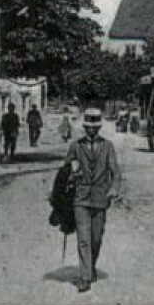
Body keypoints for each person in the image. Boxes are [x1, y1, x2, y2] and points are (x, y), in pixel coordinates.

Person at [63, 106, 122, 293]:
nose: (92, 130)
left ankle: (91, 267)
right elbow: (66, 171)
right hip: (80, 199)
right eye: (89, 127)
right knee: (83, 238)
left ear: (99, 128)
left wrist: (113, 189)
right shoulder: (75, 146)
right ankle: (85, 277)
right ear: (85, 127)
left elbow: (116, 172)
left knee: (96, 238)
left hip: (100, 198)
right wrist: (71, 176)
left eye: (95, 127)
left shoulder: (107, 146)